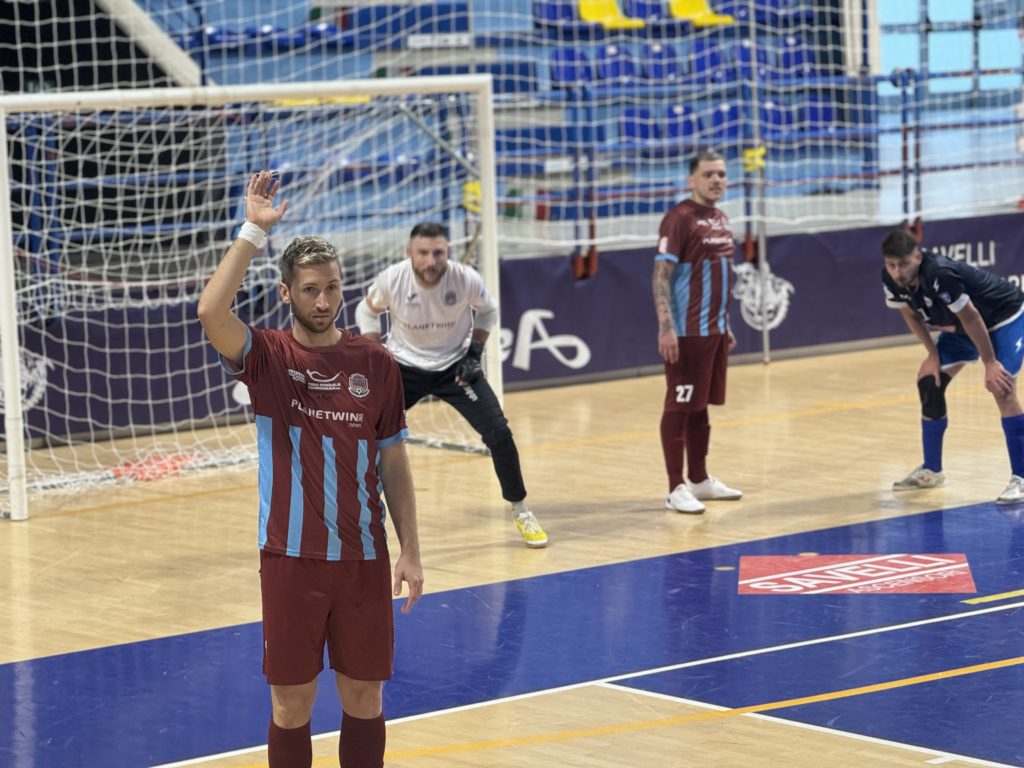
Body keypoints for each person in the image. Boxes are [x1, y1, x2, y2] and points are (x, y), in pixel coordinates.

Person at [197, 171, 424, 768]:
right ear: (286, 293)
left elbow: (393, 459)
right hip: (291, 559)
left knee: (365, 698)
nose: (324, 302)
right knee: (291, 706)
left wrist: (410, 548)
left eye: (332, 288)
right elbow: (211, 311)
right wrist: (253, 231)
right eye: (310, 290)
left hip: (363, 558)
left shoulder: (375, 363)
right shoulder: (269, 357)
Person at [354, 222, 548, 548]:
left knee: (499, 434)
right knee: (365, 431)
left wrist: (474, 353)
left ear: (448, 252)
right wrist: (375, 353)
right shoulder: (393, 278)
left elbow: (489, 311)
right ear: (409, 253)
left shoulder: (465, 278)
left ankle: (521, 510)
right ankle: (358, 513)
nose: (431, 261)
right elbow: (366, 310)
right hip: (403, 367)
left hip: (455, 369)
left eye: (438, 253)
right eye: (423, 253)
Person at [882, 226, 1024, 503]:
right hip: (962, 328)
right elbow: (911, 315)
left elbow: (972, 317)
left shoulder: (939, 274)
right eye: (892, 265)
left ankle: (1021, 476)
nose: (898, 272)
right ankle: (931, 471)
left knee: (1002, 386)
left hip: (1004, 317)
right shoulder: (891, 279)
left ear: (917, 257)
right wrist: (932, 355)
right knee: (929, 381)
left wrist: (990, 363)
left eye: (904, 264)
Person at [652, 150, 743, 514]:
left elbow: (718, 277)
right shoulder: (679, 218)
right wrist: (666, 327)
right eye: (708, 174)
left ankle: (700, 479)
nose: (716, 180)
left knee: (700, 406)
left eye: (721, 173)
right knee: (679, 404)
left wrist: (725, 325)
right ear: (692, 180)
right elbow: (661, 276)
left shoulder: (721, 218)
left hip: (714, 331)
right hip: (687, 333)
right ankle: (675, 487)